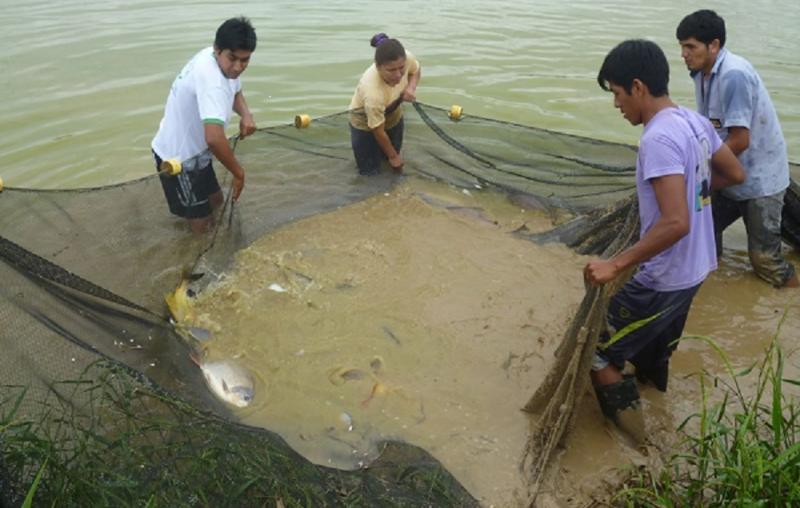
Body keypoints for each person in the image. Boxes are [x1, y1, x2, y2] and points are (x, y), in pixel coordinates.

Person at [586, 39, 745, 439]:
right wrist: (694, 192)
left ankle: (637, 445)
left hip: (663, 277)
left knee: (597, 351)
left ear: (638, 87)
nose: (616, 104)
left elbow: (675, 223)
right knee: (653, 350)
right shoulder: (694, 121)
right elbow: (733, 174)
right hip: (696, 269)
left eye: (618, 94)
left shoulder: (656, 138)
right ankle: (661, 412)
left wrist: (614, 265)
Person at [676, 10, 798, 288]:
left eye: (690, 46)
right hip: (729, 171)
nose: (683, 54)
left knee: (765, 261)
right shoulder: (701, 73)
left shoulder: (734, 75)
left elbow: (740, 140)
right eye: (682, 46)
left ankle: (792, 298)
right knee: (702, 233)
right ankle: (717, 287)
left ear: (714, 45)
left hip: (759, 179)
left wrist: (698, 166)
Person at [151, 17, 257, 234]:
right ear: (218, 49)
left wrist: (246, 114)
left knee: (216, 202)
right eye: (232, 59)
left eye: (245, 60)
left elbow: (235, 89)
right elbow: (214, 138)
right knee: (202, 222)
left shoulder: (213, 57)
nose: (238, 67)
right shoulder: (212, 82)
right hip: (178, 159)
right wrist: (239, 173)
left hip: (199, 153)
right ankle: (193, 251)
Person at [348, 33, 421, 176]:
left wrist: (410, 88)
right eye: (391, 70)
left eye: (401, 68)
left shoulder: (407, 57)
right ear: (378, 67)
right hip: (364, 120)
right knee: (369, 172)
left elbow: (416, 70)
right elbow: (378, 131)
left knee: (390, 160)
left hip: (393, 110)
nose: (398, 75)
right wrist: (393, 157)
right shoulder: (372, 92)